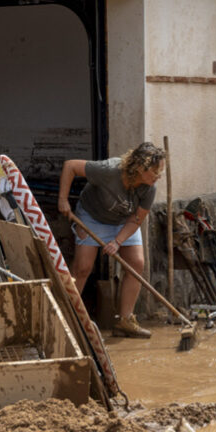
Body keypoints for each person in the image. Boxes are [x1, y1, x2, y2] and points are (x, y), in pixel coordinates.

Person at [57, 142, 167, 339]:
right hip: (92, 216)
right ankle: (66, 317)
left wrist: (118, 241)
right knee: (82, 267)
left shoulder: (149, 189)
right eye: (155, 172)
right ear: (140, 167)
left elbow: (137, 219)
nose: (158, 177)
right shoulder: (109, 171)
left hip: (125, 221)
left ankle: (125, 321)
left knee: (136, 263)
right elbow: (70, 166)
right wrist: (63, 200)